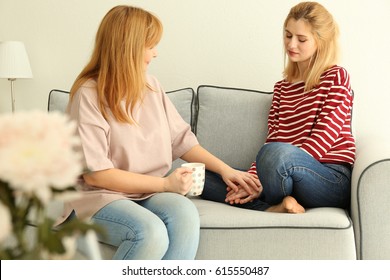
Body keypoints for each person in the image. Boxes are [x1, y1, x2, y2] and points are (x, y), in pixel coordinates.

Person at [62, 5, 260, 260]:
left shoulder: (151, 87)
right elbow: (97, 175)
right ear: (129, 48)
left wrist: (226, 170)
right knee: (150, 232)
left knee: (185, 213)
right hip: (96, 198)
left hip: (147, 192)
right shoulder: (88, 95)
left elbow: (182, 142)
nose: (155, 54)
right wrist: (166, 184)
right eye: (150, 45)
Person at [201, 1, 355, 214]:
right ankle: (276, 207)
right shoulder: (282, 88)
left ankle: (268, 200)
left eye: (301, 39)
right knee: (201, 177)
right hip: (282, 175)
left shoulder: (336, 77)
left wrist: (264, 178)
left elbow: (324, 137)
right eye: (288, 35)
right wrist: (253, 180)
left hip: (328, 177)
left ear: (320, 42)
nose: (291, 45)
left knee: (275, 154)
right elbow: (273, 138)